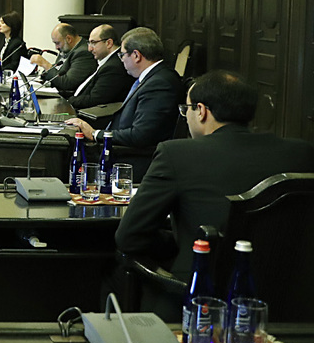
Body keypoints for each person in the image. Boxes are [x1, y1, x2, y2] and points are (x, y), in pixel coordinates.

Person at [114, 71, 314, 278]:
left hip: (200, 289)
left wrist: (180, 243)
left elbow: (129, 237)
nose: (186, 116)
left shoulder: (176, 154)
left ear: (201, 111)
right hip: (292, 288)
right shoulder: (302, 152)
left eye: (186, 109)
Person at [66, 27, 184, 175]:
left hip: (130, 160)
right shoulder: (152, 77)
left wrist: (96, 134)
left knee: (67, 156)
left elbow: (141, 135)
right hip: (119, 149)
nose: (121, 60)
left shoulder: (160, 83)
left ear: (136, 55)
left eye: (122, 55)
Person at [67, 24, 134, 110]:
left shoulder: (113, 67)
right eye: (89, 43)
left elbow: (94, 100)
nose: (89, 49)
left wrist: (69, 101)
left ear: (109, 43)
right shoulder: (107, 61)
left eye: (93, 43)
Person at [29, 23, 95, 96]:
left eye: (57, 43)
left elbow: (67, 83)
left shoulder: (83, 53)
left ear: (68, 39)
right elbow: (58, 69)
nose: (56, 47)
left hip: (68, 98)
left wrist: (45, 64)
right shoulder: (67, 48)